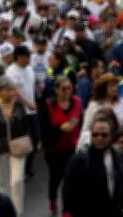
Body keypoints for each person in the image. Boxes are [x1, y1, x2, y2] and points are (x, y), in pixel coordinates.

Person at [62, 117, 123, 217]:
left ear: (111, 136)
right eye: (95, 134)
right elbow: (68, 190)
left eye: (104, 135)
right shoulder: (79, 160)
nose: (99, 138)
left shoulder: (119, 156)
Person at [0, 77, 32, 215]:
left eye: (12, 90)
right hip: (0, 150)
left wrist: (28, 140)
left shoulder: (18, 106)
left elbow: (25, 126)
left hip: (18, 148)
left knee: (16, 181)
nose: (11, 93)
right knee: (4, 184)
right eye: (8, 90)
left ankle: (16, 212)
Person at [40, 75, 82, 216]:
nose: (67, 91)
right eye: (64, 89)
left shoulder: (77, 102)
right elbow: (44, 129)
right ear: (56, 90)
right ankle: (52, 199)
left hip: (72, 148)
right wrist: (60, 128)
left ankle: (67, 209)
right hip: (54, 149)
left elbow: (80, 121)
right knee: (56, 178)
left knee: (70, 179)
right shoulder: (48, 105)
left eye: (70, 88)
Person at [4, 45, 41, 177]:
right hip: (19, 111)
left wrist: (38, 92)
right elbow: (15, 91)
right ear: (19, 57)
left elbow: (34, 83)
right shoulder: (11, 71)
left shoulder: (30, 69)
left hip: (32, 110)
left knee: (35, 138)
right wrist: (27, 104)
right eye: (27, 57)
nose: (29, 59)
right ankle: (20, 166)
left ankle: (29, 165)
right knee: (21, 140)